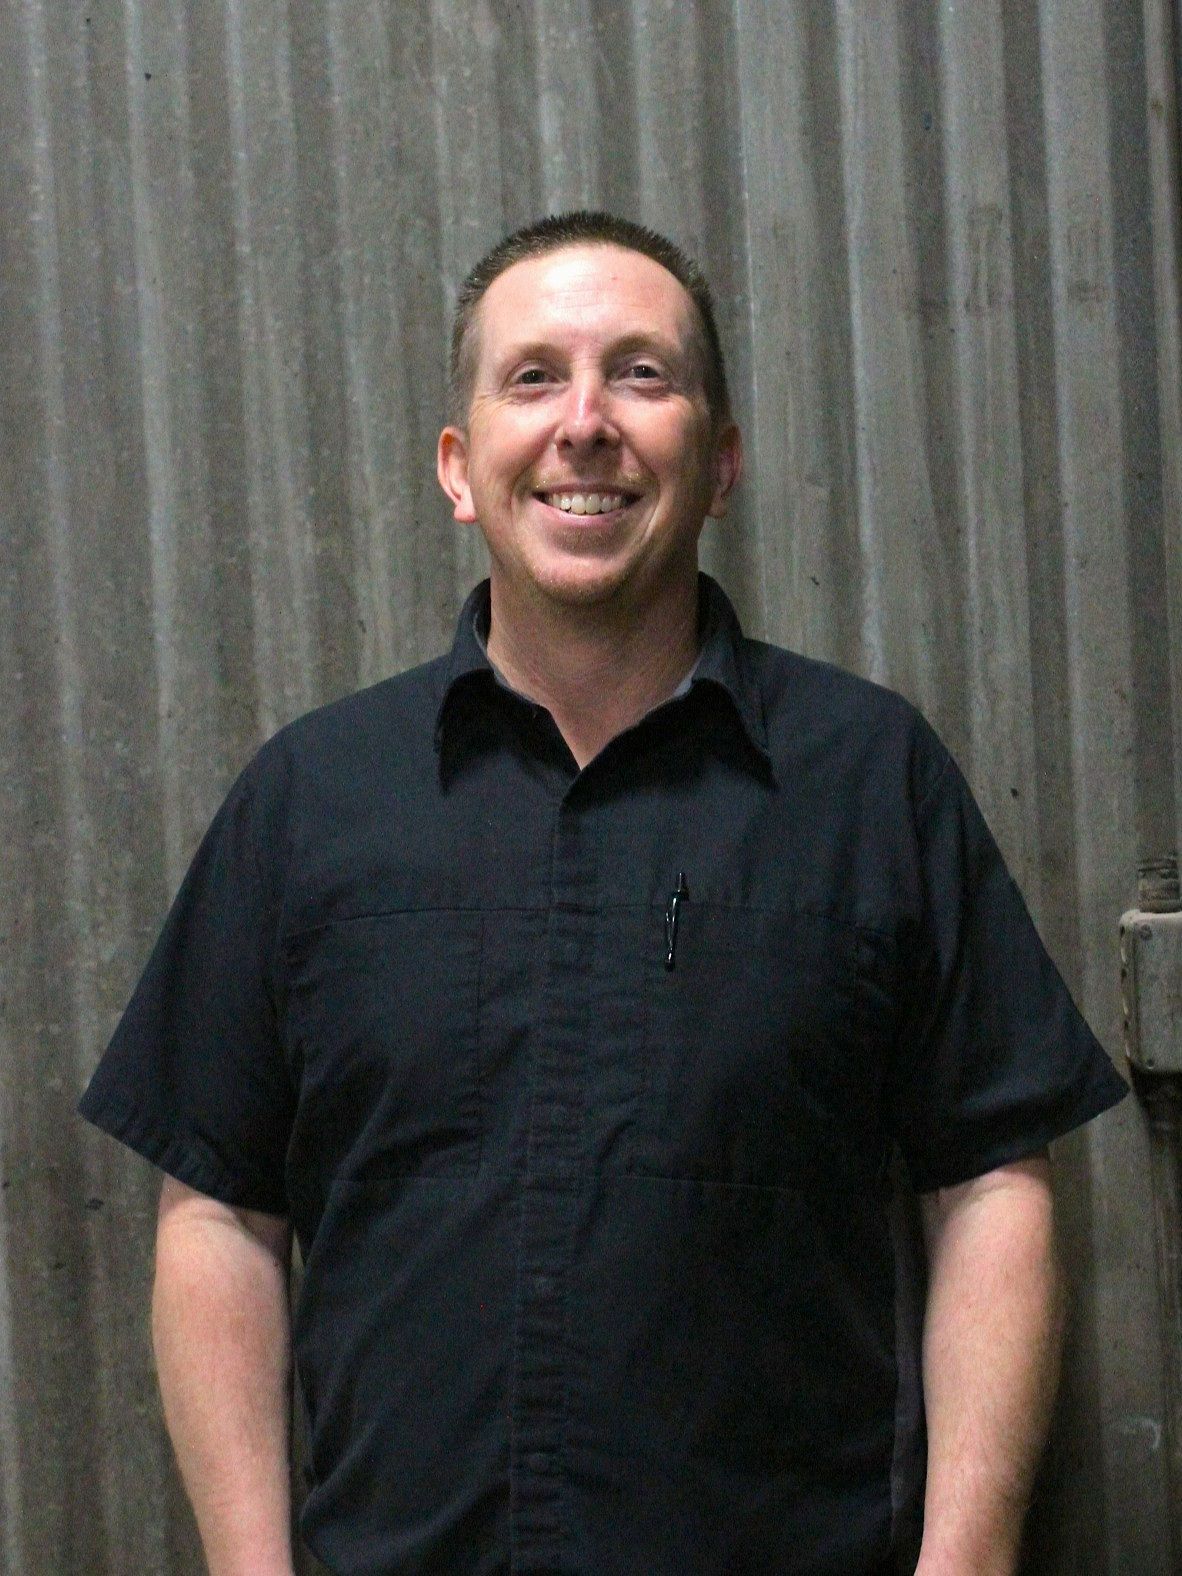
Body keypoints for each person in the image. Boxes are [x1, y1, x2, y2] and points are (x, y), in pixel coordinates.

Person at [79, 210, 1127, 1576]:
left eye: (640, 373)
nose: (584, 422)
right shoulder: (311, 799)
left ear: (721, 459)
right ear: (459, 469)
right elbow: (218, 1208)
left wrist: (965, 1561)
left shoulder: (868, 779)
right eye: (532, 378)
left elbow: (990, 1178)